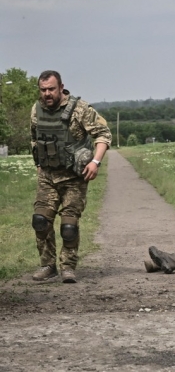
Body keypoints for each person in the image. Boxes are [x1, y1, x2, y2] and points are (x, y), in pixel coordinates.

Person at [30, 70, 112, 283]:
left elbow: (103, 134)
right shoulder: (36, 110)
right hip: (48, 175)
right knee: (40, 220)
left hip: (74, 177)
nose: (47, 94)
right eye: (43, 89)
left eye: (51, 89)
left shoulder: (79, 109)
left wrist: (96, 161)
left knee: (69, 225)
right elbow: (34, 138)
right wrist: (39, 164)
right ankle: (48, 265)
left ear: (61, 87)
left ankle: (68, 267)